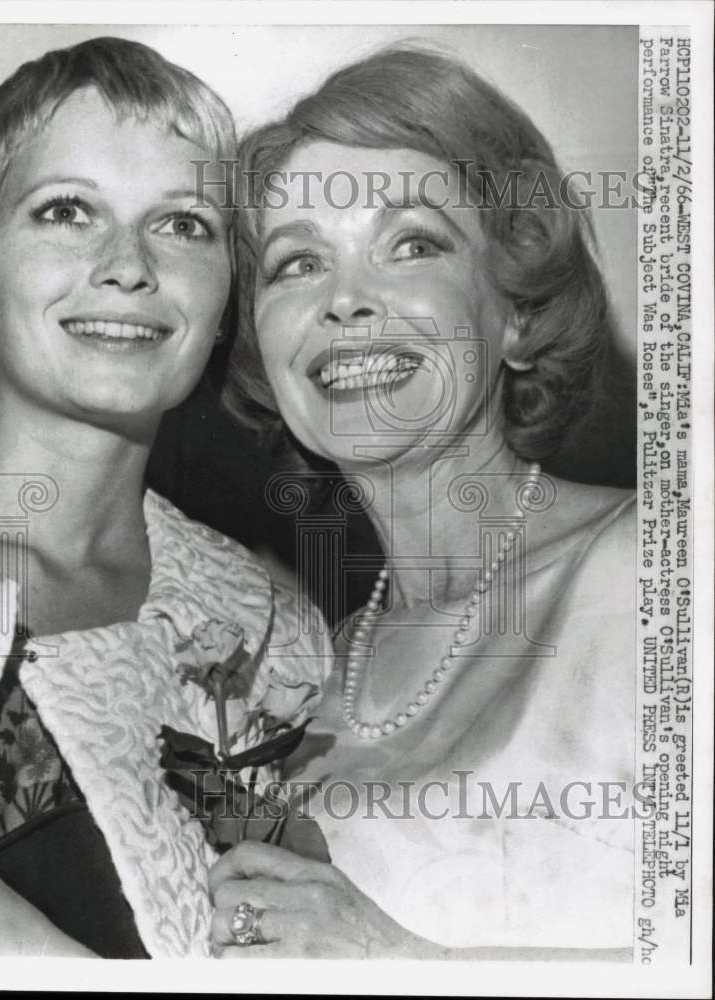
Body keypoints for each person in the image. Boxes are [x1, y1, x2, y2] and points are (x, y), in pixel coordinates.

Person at [213, 45, 637, 957]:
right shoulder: (291, 685)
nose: (347, 302)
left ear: (516, 312)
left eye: (412, 245)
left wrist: (396, 963)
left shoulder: (659, 573)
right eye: (296, 265)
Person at [0, 36, 328, 959]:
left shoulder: (270, 629)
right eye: (67, 210)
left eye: (183, 224)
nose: (128, 265)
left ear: (228, 293)